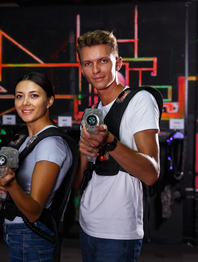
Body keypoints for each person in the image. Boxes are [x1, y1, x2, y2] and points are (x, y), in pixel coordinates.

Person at [72, 30, 161, 262]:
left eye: (103, 61)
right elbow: (77, 182)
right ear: (81, 68)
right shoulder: (92, 115)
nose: (96, 70)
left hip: (119, 231)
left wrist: (109, 142)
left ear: (118, 63)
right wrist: (83, 153)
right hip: (88, 224)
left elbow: (151, 174)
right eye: (88, 63)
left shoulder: (139, 100)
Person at [0, 72, 75, 261]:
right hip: (19, 233)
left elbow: (35, 212)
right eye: (19, 96)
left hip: (31, 233)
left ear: (50, 101)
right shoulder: (23, 141)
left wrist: (10, 184)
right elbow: (0, 199)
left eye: (34, 96)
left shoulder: (50, 143)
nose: (25, 102)